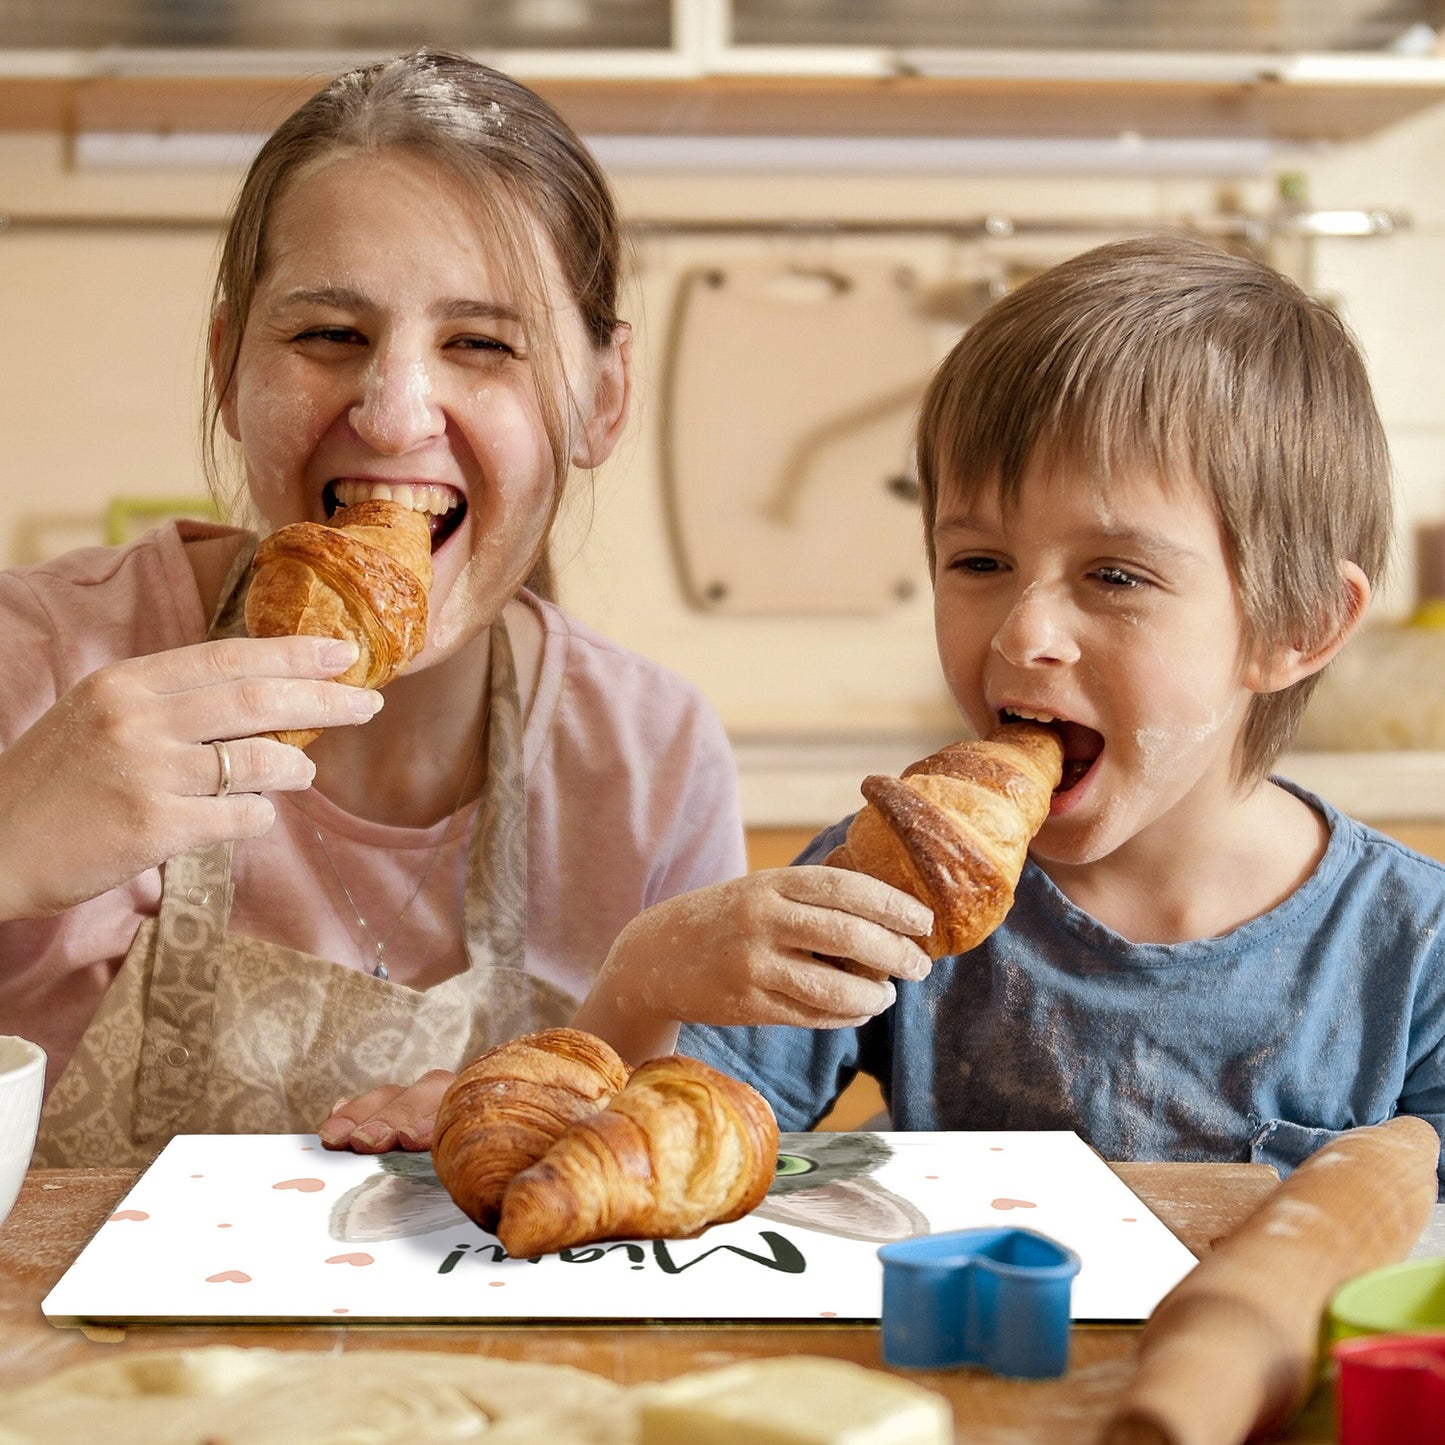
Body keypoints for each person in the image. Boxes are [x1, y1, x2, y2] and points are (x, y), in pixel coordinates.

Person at [3, 48, 750, 1169]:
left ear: (601, 398)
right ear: (226, 366)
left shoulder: (647, 759)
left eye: (482, 344)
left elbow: (697, 1170)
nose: (397, 413)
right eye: (326, 335)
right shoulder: (42, 662)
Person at [593, 233, 1445, 1190]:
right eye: (979, 564)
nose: (1022, 632)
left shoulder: (1413, 950)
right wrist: (643, 977)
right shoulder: (891, 880)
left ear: (1295, 625)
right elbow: (661, 1153)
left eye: (1115, 574)